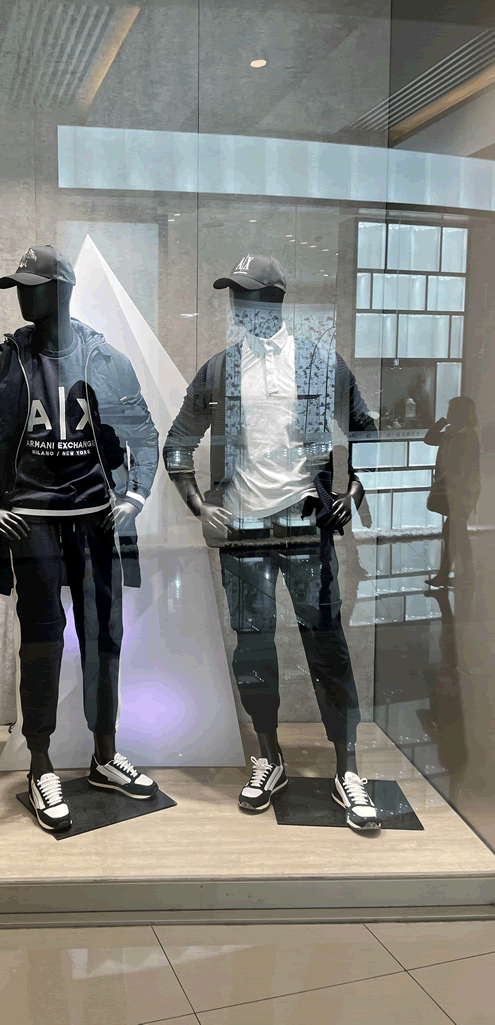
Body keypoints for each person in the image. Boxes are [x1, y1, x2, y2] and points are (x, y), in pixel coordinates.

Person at [0, 245, 159, 833]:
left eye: (32, 285)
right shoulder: (3, 363)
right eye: (18, 285)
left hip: (94, 520)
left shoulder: (103, 357)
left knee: (103, 638)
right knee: (41, 641)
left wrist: (136, 496)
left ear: (61, 290)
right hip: (31, 520)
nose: (22, 295)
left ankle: (104, 754)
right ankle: (40, 764)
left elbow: (144, 433)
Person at [164, 253, 382, 831]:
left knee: (326, 646)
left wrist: (352, 486)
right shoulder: (220, 370)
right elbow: (177, 442)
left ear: (277, 299)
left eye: (251, 295)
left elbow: (365, 429)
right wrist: (199, 505)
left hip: (307, 528)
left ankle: (347, 767)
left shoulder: (319, 363)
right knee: (254, 649)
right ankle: (269, 755)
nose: (241, 307)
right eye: (235, 297)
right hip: (245, 533)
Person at [425, 395, 480, 588]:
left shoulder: (468, 436)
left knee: (453, 533)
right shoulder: (451, 433)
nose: (449, 414)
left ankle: (450, 575)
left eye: (451, 411)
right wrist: (442, 422)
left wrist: (460, 494)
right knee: (456, 534)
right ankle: (463, 575)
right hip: (454, 491)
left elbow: (466, 469)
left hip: (462, 493)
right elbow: (429, 439)